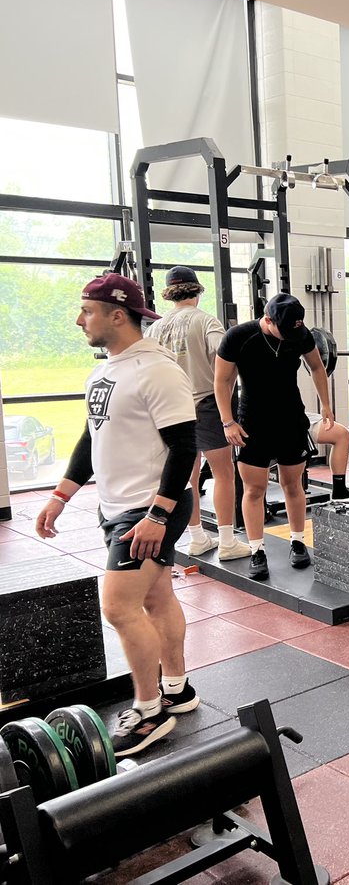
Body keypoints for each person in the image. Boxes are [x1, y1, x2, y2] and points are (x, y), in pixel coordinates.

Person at [36, 274, 198, 755]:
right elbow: (93, 438)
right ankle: (177, 689)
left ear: (117, 314)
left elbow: (185, 445)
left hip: (149, 508)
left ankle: (149, 712)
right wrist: (60, 495)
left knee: (118, 608)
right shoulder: (106, 370)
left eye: (86, 310)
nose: (79, 319)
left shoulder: (157, 370)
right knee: (156, 599)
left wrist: (158, 514)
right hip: (120, 506)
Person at [214, 293, 349, 581]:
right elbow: (222, 380)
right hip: (252, 421)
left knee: (293, 485)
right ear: (267, 320)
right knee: (254, 489)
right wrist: (227, 422)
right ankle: (256, 550)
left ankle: (298, 541)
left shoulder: (299, 334)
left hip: (290, 418)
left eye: (296, 331)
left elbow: (316, 366)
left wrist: (326, 404)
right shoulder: (239, 337)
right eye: (284, 331)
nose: (291, 337)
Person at [145, 266, 251, 561]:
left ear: (170, 293)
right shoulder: (205, 321)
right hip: (204, 404)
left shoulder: (154, 329)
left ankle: (197, 537)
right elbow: (227, 354)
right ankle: (228, 541)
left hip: (170, 409)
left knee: (186, 477)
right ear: (197, 290)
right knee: (223, 474)